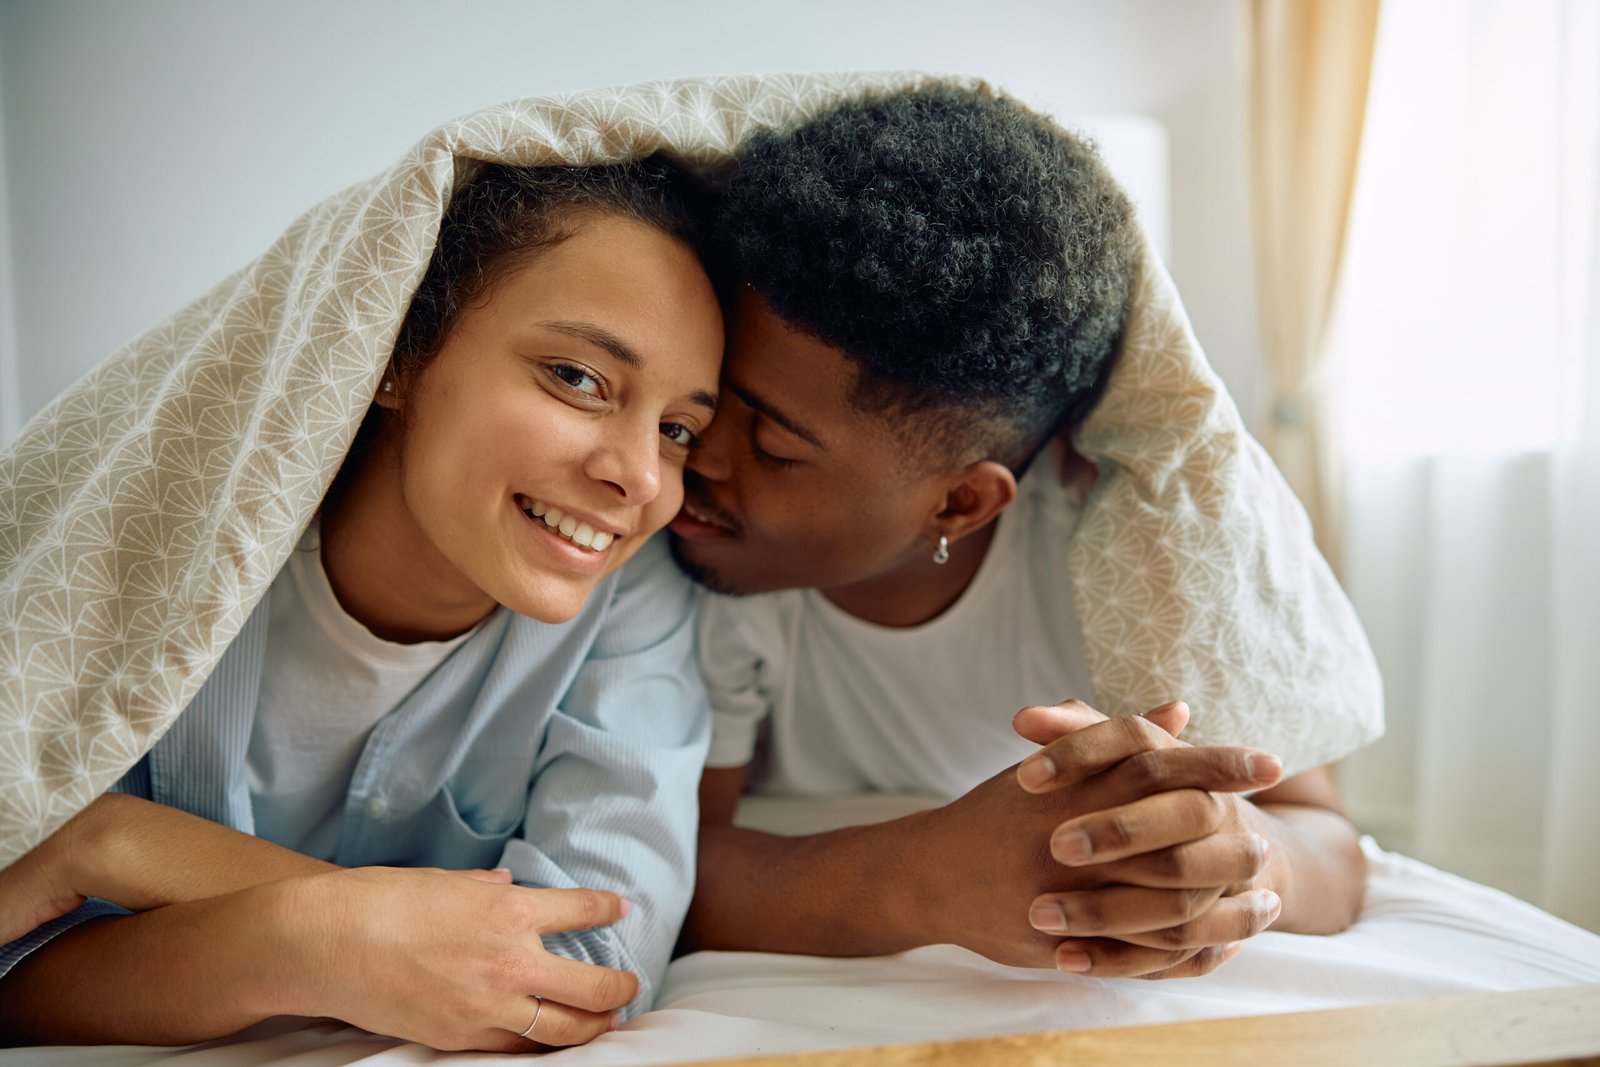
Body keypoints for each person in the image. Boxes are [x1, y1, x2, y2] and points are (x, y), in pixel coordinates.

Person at [0, 159, 724, 1051]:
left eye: (679, 429)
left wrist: (124, 848)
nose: (641, 477)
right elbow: (15, 943)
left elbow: (585, 972)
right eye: (577, 377)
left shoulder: (632, 598)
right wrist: (319, 942)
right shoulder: (154, 552)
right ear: (395, 354)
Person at [670, 85, 1373, 976]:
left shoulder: (1126, 560)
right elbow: (668, 856)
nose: (692, 454)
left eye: (770, 443)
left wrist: (1229, 859)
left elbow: (1330, 842)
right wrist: (925, 876)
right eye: (697, 398)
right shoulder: (704, 560)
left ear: (961, 504)